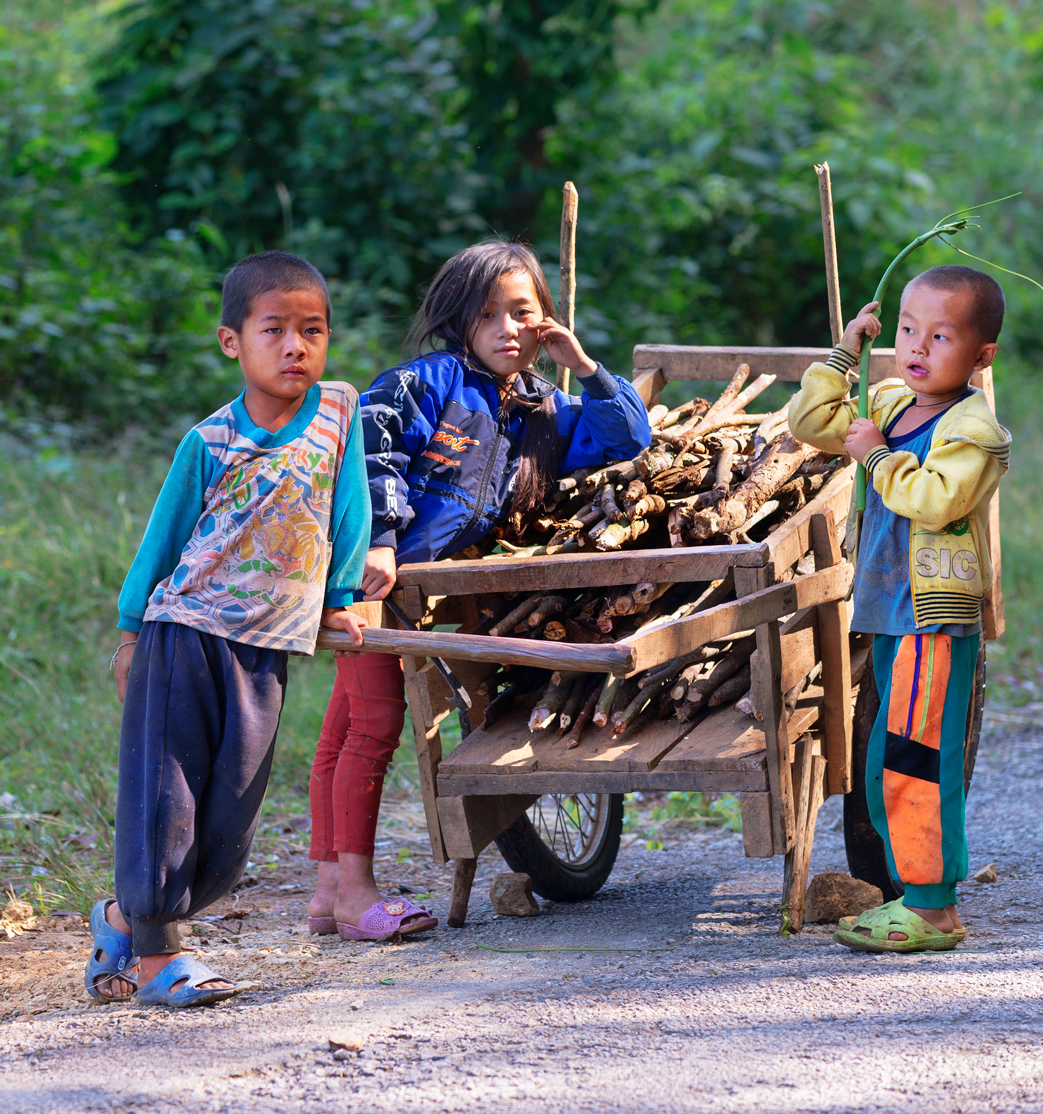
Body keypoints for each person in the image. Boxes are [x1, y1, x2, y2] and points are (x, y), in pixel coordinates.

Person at [307, 240, 653, 941]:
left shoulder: (539, 408)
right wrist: (381, 534)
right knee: (372, 727)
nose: (506, 329)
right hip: (369, 574)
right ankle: (356, 895)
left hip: (413, 587)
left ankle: (326, 894)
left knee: (346, 728)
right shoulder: (428, 381)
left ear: (546, 321)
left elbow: (626, 441)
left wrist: (582, 367)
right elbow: (371, 444)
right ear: (459, 321)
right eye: (487, 314)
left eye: (522, 313)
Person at [86, 251, 371, 1008]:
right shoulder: (208, 443)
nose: (294, 347)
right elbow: (163, 540)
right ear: (230, 343)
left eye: (312, 331)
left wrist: (340, 594)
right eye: (274, 329)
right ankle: (156, 962)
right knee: (166, 810)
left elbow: (350, 509)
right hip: (182, 636)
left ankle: (119, 920)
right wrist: (128, 633)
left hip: (265, 651)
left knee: (226, 834)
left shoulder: (341, 412)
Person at [789, 264, 1010, 953]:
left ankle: (933, 910)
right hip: (888, 612)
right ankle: (917, 896)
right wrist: (845, 354)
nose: (916, 346)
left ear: (981, 356)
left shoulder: (974, 430)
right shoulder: (887, 402)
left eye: (940, 336)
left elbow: (939, 498)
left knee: (918, 760)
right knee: (889, 754)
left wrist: (879, 459)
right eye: (908, 330)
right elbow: (813, 421)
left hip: (932, 620)